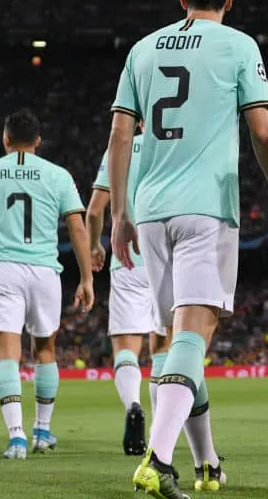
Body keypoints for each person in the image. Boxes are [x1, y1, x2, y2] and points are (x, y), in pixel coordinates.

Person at [107, 0, 268, 498]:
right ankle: (158, 460)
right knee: (196, 331)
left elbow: (121, 138)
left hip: (152, 210)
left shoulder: (142, 50)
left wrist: (120, 216)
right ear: (230, 0)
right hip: (205, 207)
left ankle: (206, 461)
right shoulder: (238, 46)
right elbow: (262, 130)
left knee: (175, 341)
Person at [0, 108, 95, 459]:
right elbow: (78, 228)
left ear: (5, 139)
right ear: (38, 141)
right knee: (45, 350)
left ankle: (16, 436)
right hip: (44, 271)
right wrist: (87, 277)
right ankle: (42, 431)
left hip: (2, 269)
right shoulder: (59, 176)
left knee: (7, 354)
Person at [88, 119, 170, 456]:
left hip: (128, 259)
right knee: (163, 347)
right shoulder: (173, 147)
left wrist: (95, 246)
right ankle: (159, 435)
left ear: (136, 119)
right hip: (166, 258)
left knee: (126, 347)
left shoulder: (116, 150)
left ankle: (134, 405)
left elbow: (94, 210)